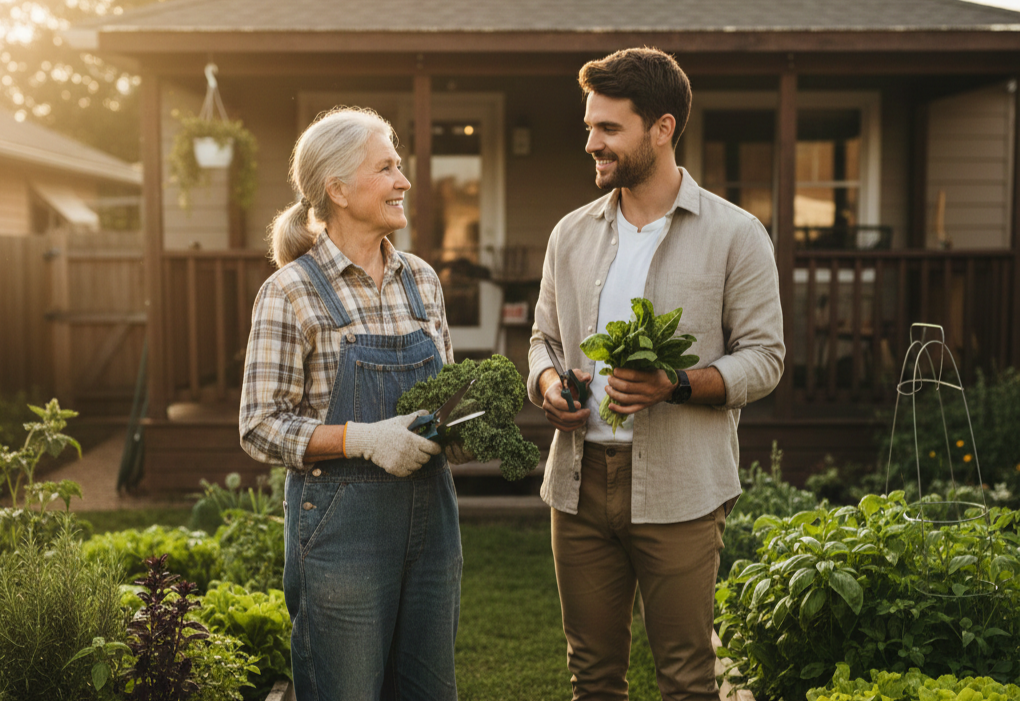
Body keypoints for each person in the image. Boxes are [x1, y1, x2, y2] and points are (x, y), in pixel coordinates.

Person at [528, 48, 785, 700]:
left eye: (609, 129)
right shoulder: (569, 234)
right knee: (592, 676)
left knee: (687, 677)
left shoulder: (737, 234)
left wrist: (674, 384)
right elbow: (543, 340)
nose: (592, 143)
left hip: (682, 488)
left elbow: (765, 357)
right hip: (578, 485)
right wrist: (548, 385)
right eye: (590, 127)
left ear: (663, 128)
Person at [239, 106, 469, 701]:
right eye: (387, 167)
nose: (404, 181)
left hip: (432, 523)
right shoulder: (289, 292)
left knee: (428, 689)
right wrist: (362, 439)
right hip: (342, 534)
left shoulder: (421, 279)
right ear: (337, 189)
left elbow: (441, 400)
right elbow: (260, 426)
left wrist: (461, 429)